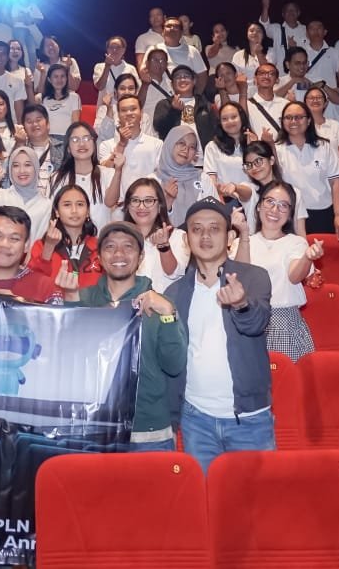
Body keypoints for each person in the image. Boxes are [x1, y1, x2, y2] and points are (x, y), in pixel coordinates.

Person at [162, 197, 274, 472]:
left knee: (257, 495)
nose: (205, 236)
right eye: (196, 229)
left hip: (249, 418)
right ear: (186, 239)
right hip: (195, 419)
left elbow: (256, 324)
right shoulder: (174, 292)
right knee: (205, 495)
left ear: (229, 238)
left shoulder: (253, 277)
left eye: (214, 228)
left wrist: (241, 304)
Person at [71, 221, 187, 451]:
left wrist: (168, 314)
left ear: (140, 256)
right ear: (99, 257)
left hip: (148, 433)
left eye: (128, 246)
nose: (119, 254)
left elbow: (174, 365)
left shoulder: (161, 304)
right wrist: (68, 303)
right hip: (93, 430)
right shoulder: (83, 301)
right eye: (110, 247)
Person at [240, 181, 322, 361]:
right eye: (270, 202)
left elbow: (294, 276)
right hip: (248, 321)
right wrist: (242, 235)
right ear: (259, 205)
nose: (274, 210)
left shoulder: (296, 242)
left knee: (288, 378)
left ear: (290, 213)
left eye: (283, 205)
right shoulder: (243, 242)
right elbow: (240, 276)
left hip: (285, 323)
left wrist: (307, 257)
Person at [275, 101, 339, 239]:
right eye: (288, 117)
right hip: (290, 214)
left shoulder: (323, 146)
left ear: (308, 121)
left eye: (298, 117)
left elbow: (335, 181)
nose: (293, 121)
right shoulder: (277, 149)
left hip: (322, 212)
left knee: (322, 251)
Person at [28, 184, 103, 297]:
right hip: (52, 306)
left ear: (88, 211)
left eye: (80, 204)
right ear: (57, 212)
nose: (74, 210)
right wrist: (49, 247)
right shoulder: (42, 245)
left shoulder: (100, 247)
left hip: (93, 307)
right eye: (67, 205)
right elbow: (33, 282)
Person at [120, 177, 189, 293]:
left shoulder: (177, 236)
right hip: (128, 302)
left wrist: (164, 247)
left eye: (148, 201)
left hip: (166, 302)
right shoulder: (120, 239)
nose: (141, 207)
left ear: (160, 205)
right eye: (135, 200)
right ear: (128, 206)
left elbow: (173, 272)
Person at [100, 95, 163, 202]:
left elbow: (161, 176)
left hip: (147, 204)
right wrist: (121, 144)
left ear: (141, 113)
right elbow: (105, 170)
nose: (129, 113)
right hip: (118, 205)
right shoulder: (106, 145)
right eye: (124, 110)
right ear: (118, 115)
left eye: (133, 109)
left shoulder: (156, 144)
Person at [52, 121, 113, 227]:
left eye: (86, 138)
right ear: (68, 148)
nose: (82, 144)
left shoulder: (109, 175)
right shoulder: (56, 179)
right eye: (75, 140)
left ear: (94, 144)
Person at [202, 102, 256, 205]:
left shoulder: (254, 142)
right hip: (225, 201)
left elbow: (260, 175)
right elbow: (210, 180)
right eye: (224, 119)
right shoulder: (212, 146)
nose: (230, 121)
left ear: (242, 118)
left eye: (234, 117)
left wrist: (254, 148)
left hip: (252, 199)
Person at [0, 146, 53, 239]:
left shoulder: (46, 205)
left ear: (36, 167)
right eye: (16, 165)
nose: (22, 171)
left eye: (27, 165)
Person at [303, 87, 339, 193]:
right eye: (311, 98)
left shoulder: (335, 125)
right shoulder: (302, 127)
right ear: (305, 103)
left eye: (319, 97)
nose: (315, 100)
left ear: (326, 103)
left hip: (336, 177)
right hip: (311, 180)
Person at [153, 65, 215, 145]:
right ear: (172, 84)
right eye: (177, 77)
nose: (182, 79)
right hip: (174, 151)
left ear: (194, 81)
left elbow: (215, 129)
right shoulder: (164, 104)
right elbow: (159, 127)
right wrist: (174, 110)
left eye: (186, 76)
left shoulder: (204, 103)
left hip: (203, 151)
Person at [15, 104, 64, 193]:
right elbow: (8, 180)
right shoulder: (20, 148)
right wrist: (20, 144)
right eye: (29, 121)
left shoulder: (62, 148)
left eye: (38, 120)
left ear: (48, 124)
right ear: (24, 127)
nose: (34, 124)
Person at [245, 62, 290, 141]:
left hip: (283, 147)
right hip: (258, 148)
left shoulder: (286, 104)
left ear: (277, 80)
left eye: (271, 74)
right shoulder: (246, 105)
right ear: (255, 79)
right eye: (262, 73)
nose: (266, 76)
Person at [232, 21, 277, 93]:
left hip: (265, 90)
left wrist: (259, 53)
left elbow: (268, 72)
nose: (255, 33)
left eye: (258, 31)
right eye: (251, 31)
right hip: (245, 91)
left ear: (263, 35)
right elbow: (235, 76)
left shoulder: (271, 51)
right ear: (247, 34)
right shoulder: (238, 55)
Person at [39, 63, 81, 138]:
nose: (59, 80)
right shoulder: (43, 99)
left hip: (66, 138)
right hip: (48, 138)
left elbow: (75, 123)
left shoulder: (74, 97)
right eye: (56, 76)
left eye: (62, 76)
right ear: (49, 79)